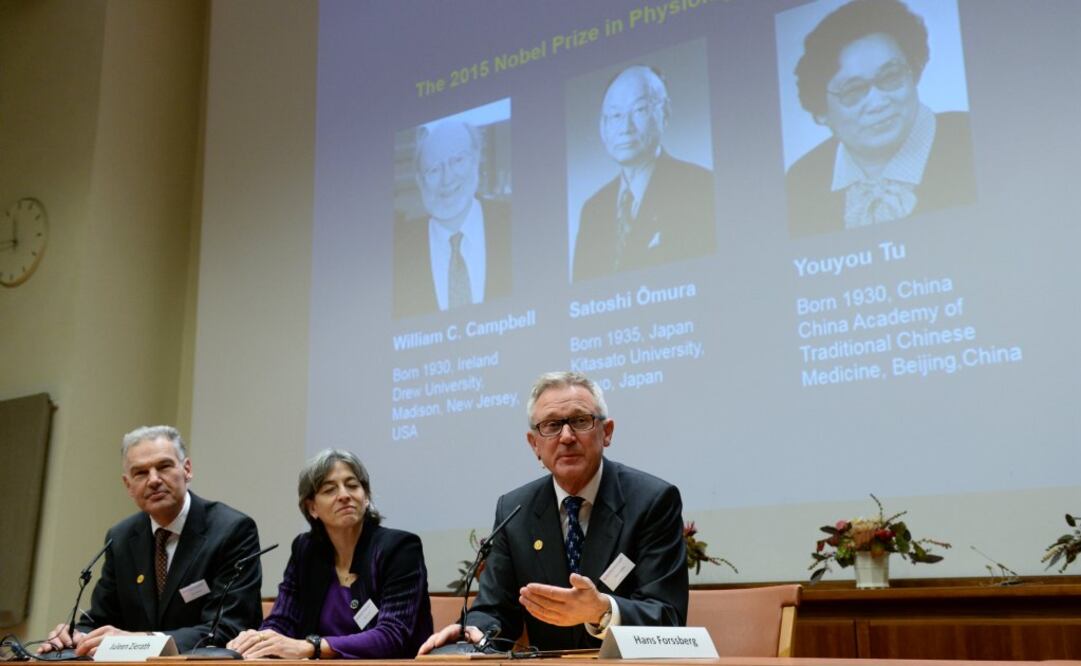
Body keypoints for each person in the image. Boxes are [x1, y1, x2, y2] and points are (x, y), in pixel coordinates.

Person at [419, 371, 687, 654]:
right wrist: (474, 632)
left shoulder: (652, 501)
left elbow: (667, 615)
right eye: (551, 425)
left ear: (606, 432)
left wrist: (603, 612)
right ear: (534, 444)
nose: (567, 436)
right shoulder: (515, 511)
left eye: (580, 421)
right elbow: (496, 610)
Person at [39, 426, 262, 657]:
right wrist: (76, 636)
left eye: (164, 466)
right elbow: (102, 618)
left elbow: (228, 628)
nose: (154, 480)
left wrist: (144, 641)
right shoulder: (121, 538)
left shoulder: (231, 530)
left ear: (187, 469)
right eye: (141, 473)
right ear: (128, 486)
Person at [786, 0, 976, 236]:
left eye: (890, 76)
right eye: (852, 91)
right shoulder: (801, 180)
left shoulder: (974, 136)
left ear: (913, 72)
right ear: (821, 112)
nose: (877, 102)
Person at [227, 449, 433, 659]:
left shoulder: (399, 548)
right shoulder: (305, 550)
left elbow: (392, 636)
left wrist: (311, 647)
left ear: (366, 497)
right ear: (312, 508)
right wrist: (259, 641)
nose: (344, 495)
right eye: (329, 490)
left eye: (352, 485)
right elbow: (283, 620)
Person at [573, 65, 715, 282]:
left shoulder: (701, 186)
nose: (625, 128)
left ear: (664, 114)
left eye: (639, 110)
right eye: (615, 115)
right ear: (603, 126)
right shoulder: (593, 209)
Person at [393, 120, 512, 318]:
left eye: (458, 161)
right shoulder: (398, 253)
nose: (447, 179)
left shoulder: (516, 224)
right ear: (419, 181)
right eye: (434, 170)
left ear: (476, 159)